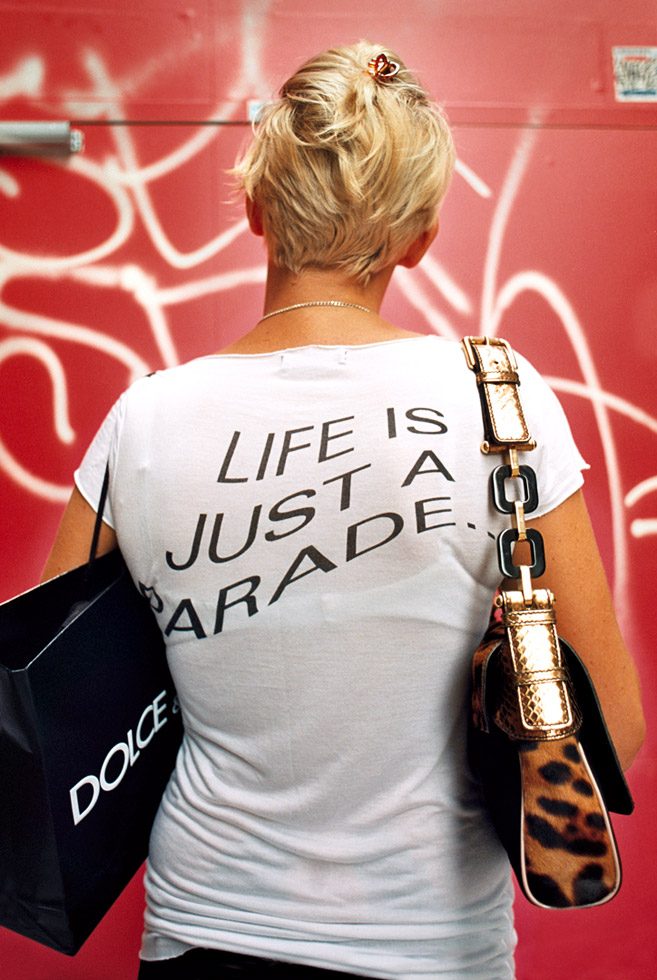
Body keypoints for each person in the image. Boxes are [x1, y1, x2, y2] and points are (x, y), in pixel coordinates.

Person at [43, 41, 644, 980]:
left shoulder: (144, 422)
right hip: (431, 947)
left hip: (203, 932)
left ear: (252, 207)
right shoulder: (497, 400)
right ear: (421, 237)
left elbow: (56, 709)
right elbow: (612, 723)